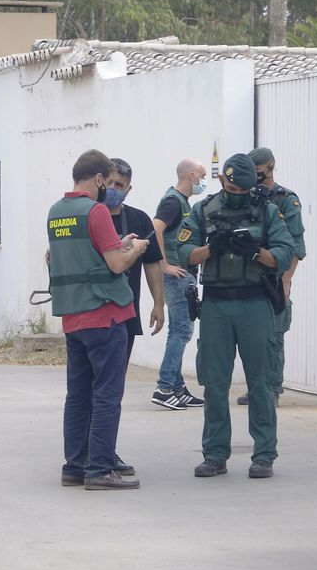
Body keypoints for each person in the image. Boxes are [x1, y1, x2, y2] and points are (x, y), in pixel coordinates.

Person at [176, 153, 295, 479]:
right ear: (222, 181)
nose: (237, 193)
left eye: (243, 188)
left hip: (254, 302)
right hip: (216, 305)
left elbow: (285, 254)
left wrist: (256, 252)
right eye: (231, 186)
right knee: (215, 383)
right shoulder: (204, 210)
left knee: (261, 383)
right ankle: (215, 454)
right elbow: (184, 252)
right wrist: (212, 249)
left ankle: (264, 456)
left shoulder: (267, 211)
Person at [47, 149, 150, 491]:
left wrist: (117, 244)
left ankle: (75, 466)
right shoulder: (96, 211)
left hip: (73, 318)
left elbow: (80, 255)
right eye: (106, 181)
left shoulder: (56, 212)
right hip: (104, 316)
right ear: (98, 179)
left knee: (77, 396)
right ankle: (100, 469)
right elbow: (117, 265)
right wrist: (134, 248)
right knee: (107, 395)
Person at [239, 146, 305, 407]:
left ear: (271, 167)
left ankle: (273, 389)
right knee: (250, 337)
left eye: (259, 172)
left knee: (274, 335)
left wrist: (286, 280)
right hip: (248, 275)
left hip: (275, 276)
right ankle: (256, 386)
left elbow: (296, 244)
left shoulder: (286, 199)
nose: (256, 177)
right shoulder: (244, 197)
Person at [151, 158, 208, 411]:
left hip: (182, 274)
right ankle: (164, 388)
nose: (204, 181)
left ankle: (176, 388)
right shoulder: (174, 201)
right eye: (203, 175)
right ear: (192, 176)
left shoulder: (182, 202)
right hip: (177, 275)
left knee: (178, 330)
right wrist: (164, 265)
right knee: (182, 331)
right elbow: (155, 228)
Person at [105, 157, 166, 360]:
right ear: (100, 181)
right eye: (109, 182)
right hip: (91, 313)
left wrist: (159, 304)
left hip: (125, 312)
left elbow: (152, 264)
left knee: (116, 377)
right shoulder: (86, 216)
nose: (113, 188)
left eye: (119, 185)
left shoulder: (139, 219)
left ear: (128, 189)